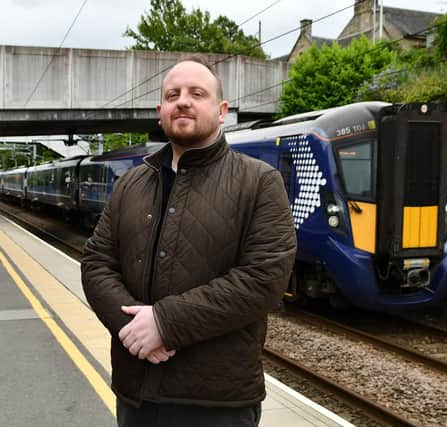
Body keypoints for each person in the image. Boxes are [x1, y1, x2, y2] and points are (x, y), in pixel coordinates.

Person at [81, 55, 296, 427]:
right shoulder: (131, 184)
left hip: (218, 405)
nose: (183, 101)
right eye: (173, 94)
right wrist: (133, 329)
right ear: (160, 111)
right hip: (137, 393)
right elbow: (96, 263)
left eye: (197, 93)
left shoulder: (259, 182)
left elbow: (264, 279)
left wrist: (165, 323)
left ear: (222, 110)